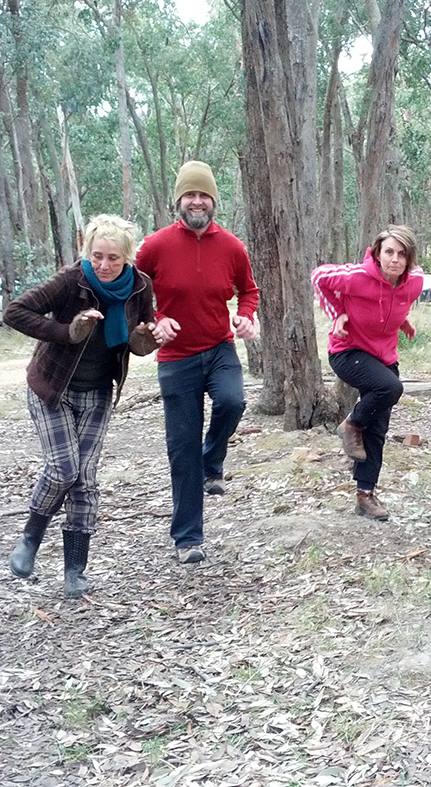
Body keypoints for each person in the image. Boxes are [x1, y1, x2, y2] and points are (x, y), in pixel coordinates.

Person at [4, 214, 157, 597]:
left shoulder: (140, 286)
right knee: (63, 470)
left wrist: (149, 337)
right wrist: (67, 331)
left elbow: (140, 340)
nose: (103, 265)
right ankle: (30, 538)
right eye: (97, 256)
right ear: (87, 252)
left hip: (98, 391)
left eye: (113, 258)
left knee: (85, 479)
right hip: (52, 387)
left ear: (128, 258)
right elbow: (15, 312)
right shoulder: (72, 280)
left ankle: (75, 569)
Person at [136, 161, 259, 564]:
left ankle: (212, 461)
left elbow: (249, 290)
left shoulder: (232, 247)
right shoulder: (155, 246)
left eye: (204, 195)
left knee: (233, 402)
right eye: (190, 194)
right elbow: (130, 290)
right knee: (181, 448)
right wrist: (156, 319)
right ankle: (188, 538)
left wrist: (246, 315)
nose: (197, 201)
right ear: (179, 200)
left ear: (213, 201)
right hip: (176, 357)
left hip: (219, 347)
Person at [312, 225, 424, 522]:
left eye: (402, 254)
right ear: (377, 254)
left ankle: (365, 495)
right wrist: (338, 313)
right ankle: (351, 424)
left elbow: (397, 300)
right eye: (389, 252)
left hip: (383, 355)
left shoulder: (415, 282)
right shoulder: (358, 276)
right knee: (391, 388)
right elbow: (319, 277)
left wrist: (402, 320)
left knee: (377, 428)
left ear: (410, 258)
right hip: (348, 352)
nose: (395, 259)